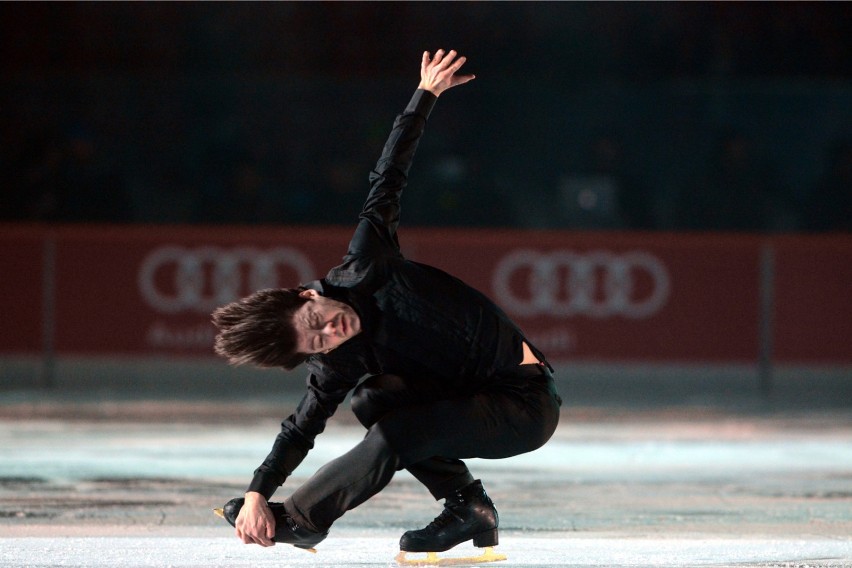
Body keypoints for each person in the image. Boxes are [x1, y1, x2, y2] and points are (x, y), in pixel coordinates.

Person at [211, 49, 562, 557]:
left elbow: (387, 178)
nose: (332, 331)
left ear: (308, 294)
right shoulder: (335, 359)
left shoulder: (364, 265)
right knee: (370, 399)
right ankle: (469, 508)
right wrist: (257, 492)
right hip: (469, 397)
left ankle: (306, 522)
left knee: (396, 429)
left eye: (317, 320)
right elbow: (301, 426)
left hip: (523, 404)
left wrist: (425, 96)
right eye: (317, 343)